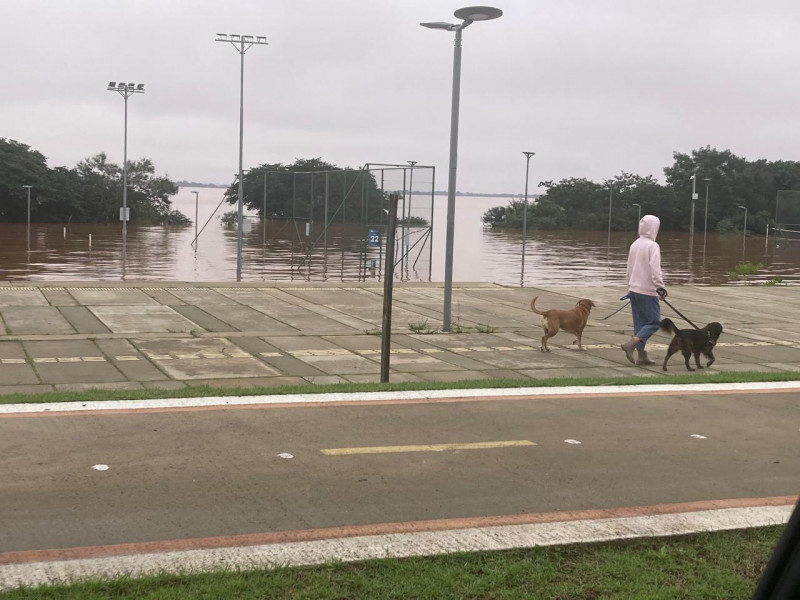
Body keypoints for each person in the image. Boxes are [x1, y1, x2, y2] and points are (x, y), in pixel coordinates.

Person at [620, 214, 665, 366]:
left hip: (634, 290)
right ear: (654, 228)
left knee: (640, 324)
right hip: (647, 291)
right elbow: (655, 269)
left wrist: (630, 286)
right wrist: (660, 287)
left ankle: (641, 356)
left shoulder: (635, 244)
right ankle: (631, 344)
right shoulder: (653, 246)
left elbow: (629, 267)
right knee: (654, 322)